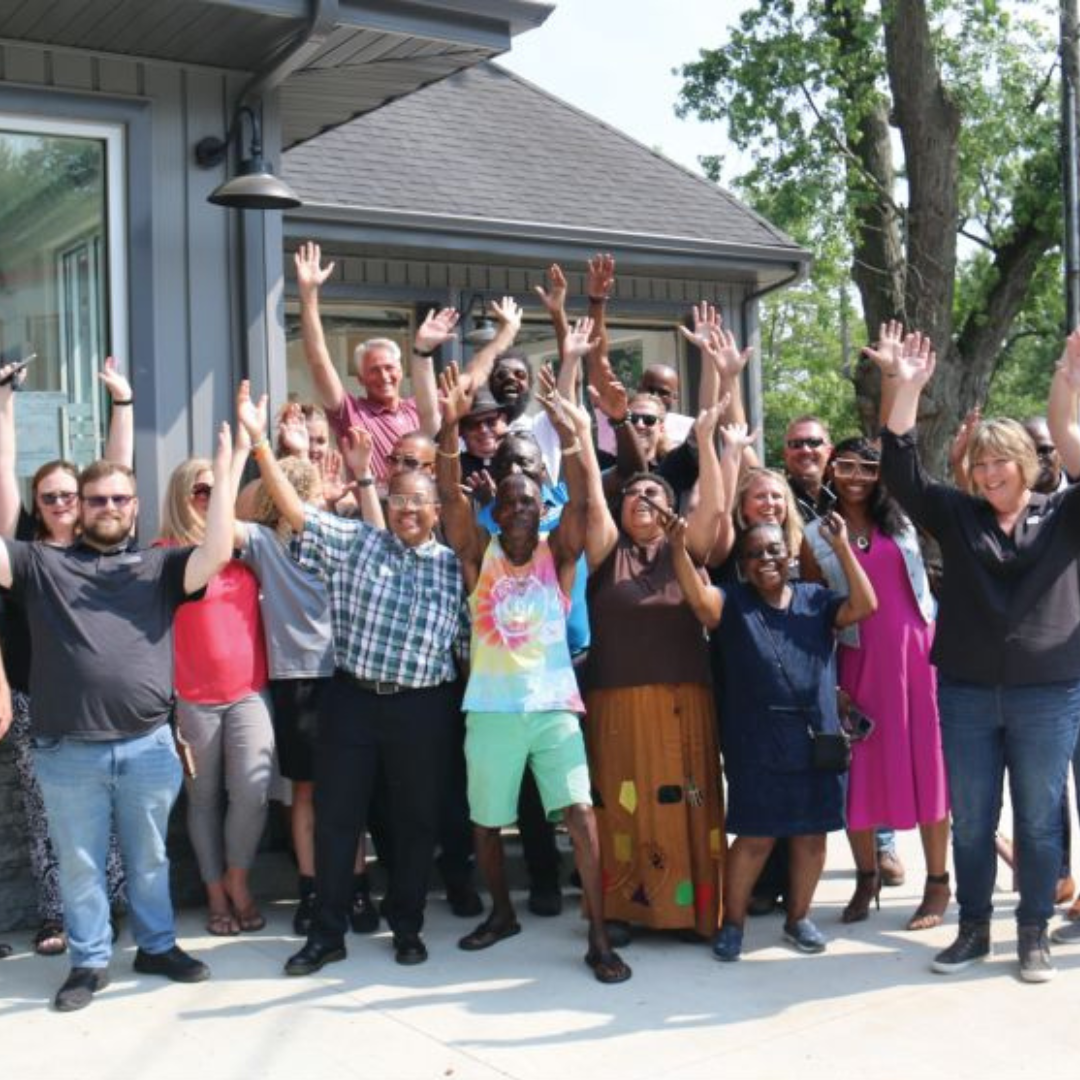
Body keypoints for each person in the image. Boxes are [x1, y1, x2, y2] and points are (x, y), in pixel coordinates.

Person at [0, 426, 236, 1011]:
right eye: (96, 499)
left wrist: (228, 465)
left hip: (148, 746)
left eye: (119, 498)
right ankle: (89, 962)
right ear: (79, 508)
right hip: (66, 750)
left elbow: (217, 553)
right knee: (79, 864)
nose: (108, 507)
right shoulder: (41, 564)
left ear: (135, 506)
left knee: (150, 856)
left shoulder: (160, 567)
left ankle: (156, 946)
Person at [238, 381, 468, 975]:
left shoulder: (455, 567)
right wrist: (260, 443)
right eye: (399, 500)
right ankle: (327, 932)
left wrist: (450, 429)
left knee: (416, 822)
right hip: (353, 702)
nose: (408, 510)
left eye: (419, 502)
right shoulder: (358, 543)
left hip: (423, 709)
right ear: (386, 503)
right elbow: (294, 512)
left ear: (436, 511)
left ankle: (408, 926)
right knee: (338, 820)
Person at [883, 330, 1080, 982]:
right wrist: (908, 388)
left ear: (1026, 462)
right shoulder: (958, 514)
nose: (990, 474)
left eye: (1002, 463)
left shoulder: (1063, 515)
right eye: (981, 464)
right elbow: (901, 472)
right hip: (966, 692)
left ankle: (1033, 932)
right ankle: (972, 929)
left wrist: (1065, 386)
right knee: (971, 820)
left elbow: (1073, 451)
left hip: (1046, 694)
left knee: (1040, 822)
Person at [435, 348, 631, 985]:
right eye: (509, 501)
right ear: (496, 509)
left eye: (529, 501)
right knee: (487, 823)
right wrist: (447, 427)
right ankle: (501, 914)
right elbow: (448, 496)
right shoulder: (478, 553)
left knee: (581, 815)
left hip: (554, 709)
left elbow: (581, 503)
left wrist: (573, 433)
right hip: (490, 712)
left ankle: (598, 936)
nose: (520, 508)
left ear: (540, 503)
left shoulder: (559, 554)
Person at [0, 357, 132, 957]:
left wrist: (122, 403)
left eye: (68, 495)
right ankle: (56, 912)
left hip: (93, 701)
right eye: (48, 496)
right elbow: (3, 468)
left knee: (104, 806)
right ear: (37, 502)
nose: (59, 502)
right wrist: (5, 402)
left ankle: (110, 904)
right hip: (34, 698)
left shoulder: (98, 546)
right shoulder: (21, 552)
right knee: (44, 810)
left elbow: (118, 469)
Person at [582, 399, 726, 942]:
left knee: (688, 802)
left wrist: (707, 441)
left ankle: (692, 912)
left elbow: (714, 507)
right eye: (632, 494)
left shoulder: (689, 552)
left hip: (684, 701)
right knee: (622, 804)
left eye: (654, 493)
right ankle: (624, 911)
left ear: (672, 507)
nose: (641, 498)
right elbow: (590, 493)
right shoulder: (605, 551)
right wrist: (581, 429)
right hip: (616, 703)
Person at [711, 517, 877, 962]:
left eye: (773, 550)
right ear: (742, 565)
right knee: (756, 837)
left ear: (789, 554)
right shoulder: (733, 601)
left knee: (812, 836)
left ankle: (798, 918)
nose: (765, 559)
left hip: (817, 738)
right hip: (756, 742)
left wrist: (842, 548)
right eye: (753, 554)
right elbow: (700, 600)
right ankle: (732, 924)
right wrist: (678, 549)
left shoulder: (815, 598)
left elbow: (865, 604)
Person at [804, 437, 950, 929]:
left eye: (868, 468)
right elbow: (816, 612)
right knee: (861, 774)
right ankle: (866, 876)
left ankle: (937, 882)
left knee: (929, 767)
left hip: (917, 655)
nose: (857, 477)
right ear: (830, 470)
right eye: (846, 466)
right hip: (858, 659)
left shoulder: (903, 519)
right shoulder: (814, 535)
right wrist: (829, 681)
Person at [158, 444, 274, 938]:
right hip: (192, 698)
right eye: (201, 490)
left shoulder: (245, 551)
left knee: (253, 791)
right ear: (181, 497)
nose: (210, 498)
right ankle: (216, 895)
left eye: (217, 489)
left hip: (249, 691)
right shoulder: (163, 557)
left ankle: (237, 879)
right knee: (202, 799)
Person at [294, 241, 518, 482]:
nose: (384, 376)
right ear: (360, 378)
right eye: (374, 370)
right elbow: (318, 361)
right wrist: (308, 294)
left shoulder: (420, 407)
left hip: (426, 502)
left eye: (389, 368)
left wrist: (507, 332)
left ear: (401, 371)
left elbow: (472, 377)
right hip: (375, 503)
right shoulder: (349, 413)